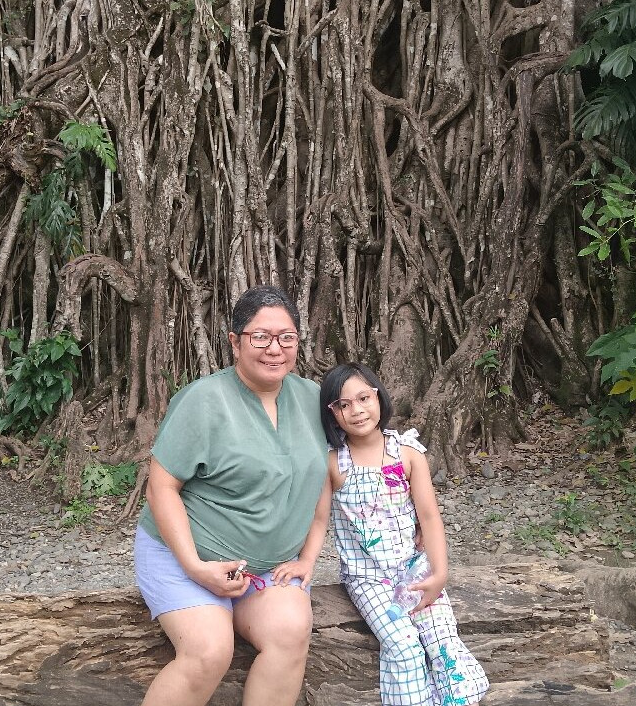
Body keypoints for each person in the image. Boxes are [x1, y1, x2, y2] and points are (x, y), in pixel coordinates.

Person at [134, 285, 329, 706]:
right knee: (209, 650)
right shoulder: (204, 400)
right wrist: (195, 566)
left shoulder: (313, 399)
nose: (274, 348)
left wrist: (415, 518)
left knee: (291, 632)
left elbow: (359, 456)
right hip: (186, 557)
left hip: (269, 568)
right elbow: (161, 487)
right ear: (235, 342)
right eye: (260, 336)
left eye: (286, 337)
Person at [277, 362, 489, 706]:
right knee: (403, 644)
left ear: (379, 397)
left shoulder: (407, 454)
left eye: (364, 398)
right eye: (343, 404)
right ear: (332, 414)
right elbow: (319, 521)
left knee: (443, 640)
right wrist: (305, 563)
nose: (356, 410)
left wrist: (439, 574)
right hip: (367, 579)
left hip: (414, 570)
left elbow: (429, 517)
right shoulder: (333, 463)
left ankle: (460, 699)